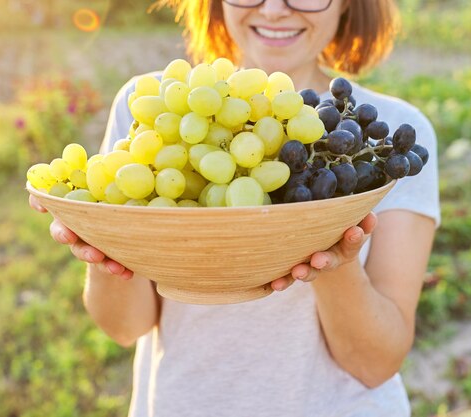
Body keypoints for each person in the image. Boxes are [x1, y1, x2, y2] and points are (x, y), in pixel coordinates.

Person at [29, 0, 440, 415]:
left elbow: (375, 364)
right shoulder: (158, 109)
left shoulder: (385, 142)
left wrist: (333, 253)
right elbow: (124, 327)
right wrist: (106, 244)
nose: (275, 9)